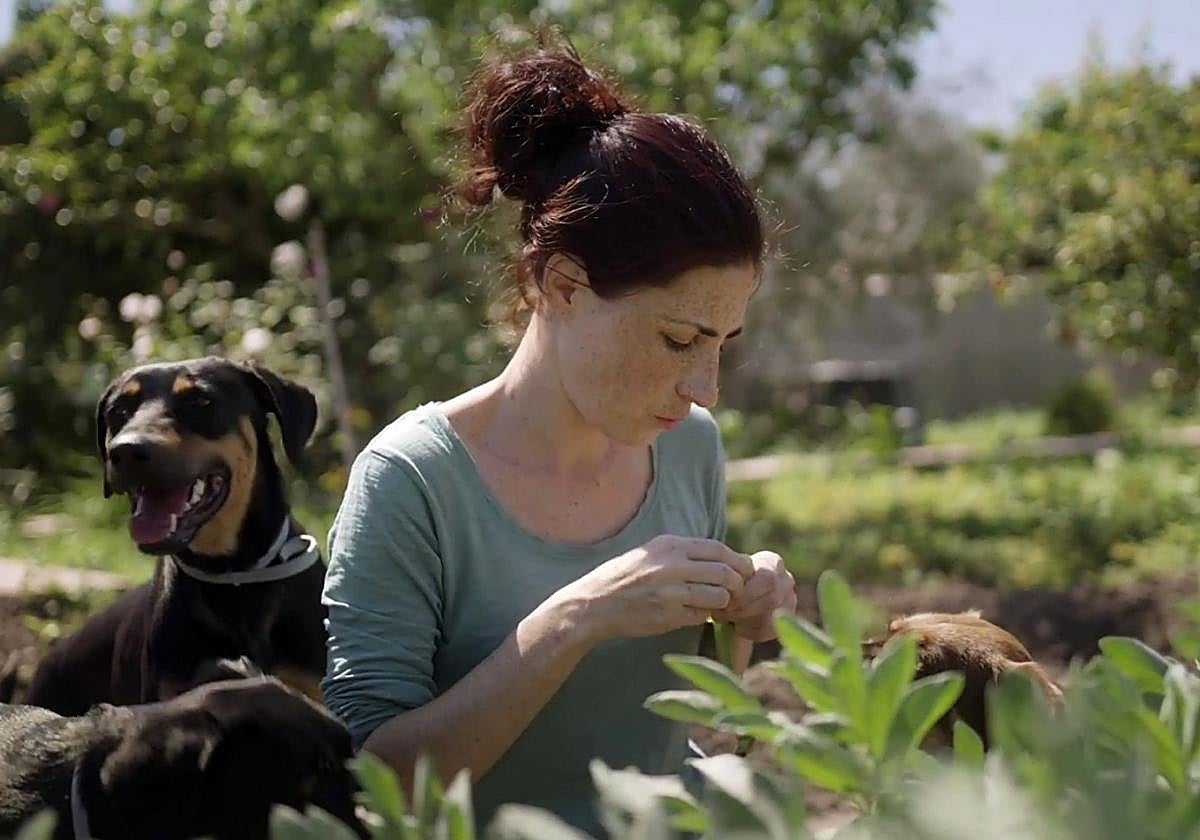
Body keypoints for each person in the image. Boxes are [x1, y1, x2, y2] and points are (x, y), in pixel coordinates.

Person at [320, 41, 797, 835]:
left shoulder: (689, 446)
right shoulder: (411, 480)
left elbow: (699, 734)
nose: (704, 387)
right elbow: (375, 784)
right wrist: (573, 619)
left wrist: (743, 625)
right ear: (563, 286)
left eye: (724, 343)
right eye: (680, 340)